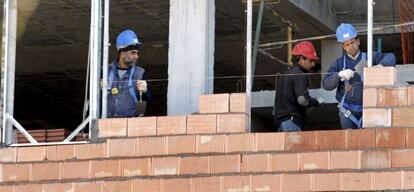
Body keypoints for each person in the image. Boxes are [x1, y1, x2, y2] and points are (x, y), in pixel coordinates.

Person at [323, 23, 396, 129]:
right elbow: (326, 84)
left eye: (352, 42)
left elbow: (391, 57)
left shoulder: (370, 58)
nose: (351, 46)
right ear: (343, 47)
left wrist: (381, 65)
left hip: (368, 108)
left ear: (358, 41)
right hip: (347, 111)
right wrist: (338, 75)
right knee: (349, 142)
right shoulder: (339, 63)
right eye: (347, 44)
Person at [274, 41, 321, 132]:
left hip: (280, 123)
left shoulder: (285, 75)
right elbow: (302, 100)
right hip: (291, 122)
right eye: (310, 60)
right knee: (294, 146)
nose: (313, 64)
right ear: (300, 58)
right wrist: (316, 101)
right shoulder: (300, 75)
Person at [107, 29, 153, 117]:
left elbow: (150, 101)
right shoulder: (106, 72)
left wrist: (146, 91)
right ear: (122, 53)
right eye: (133, 53)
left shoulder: (140, 73)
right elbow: (95, 100)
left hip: (131, 126)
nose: (137, 56)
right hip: (107, 124)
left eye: (137, 53)